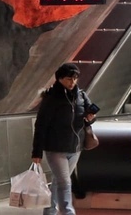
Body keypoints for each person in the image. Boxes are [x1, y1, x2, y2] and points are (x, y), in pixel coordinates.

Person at [32, 63, 98, 215]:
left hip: (76, 147)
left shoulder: (81, 95)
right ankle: (68, 212)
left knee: (58, 181)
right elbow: (41, 125)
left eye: (75, 79)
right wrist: (37, 152)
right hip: (56, 148)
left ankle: (49, 211)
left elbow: (88, 117)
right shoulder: (51, 98)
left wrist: (90, 118)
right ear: (60, 79)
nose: (72, 82)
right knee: (64, 182)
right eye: (69, 79)